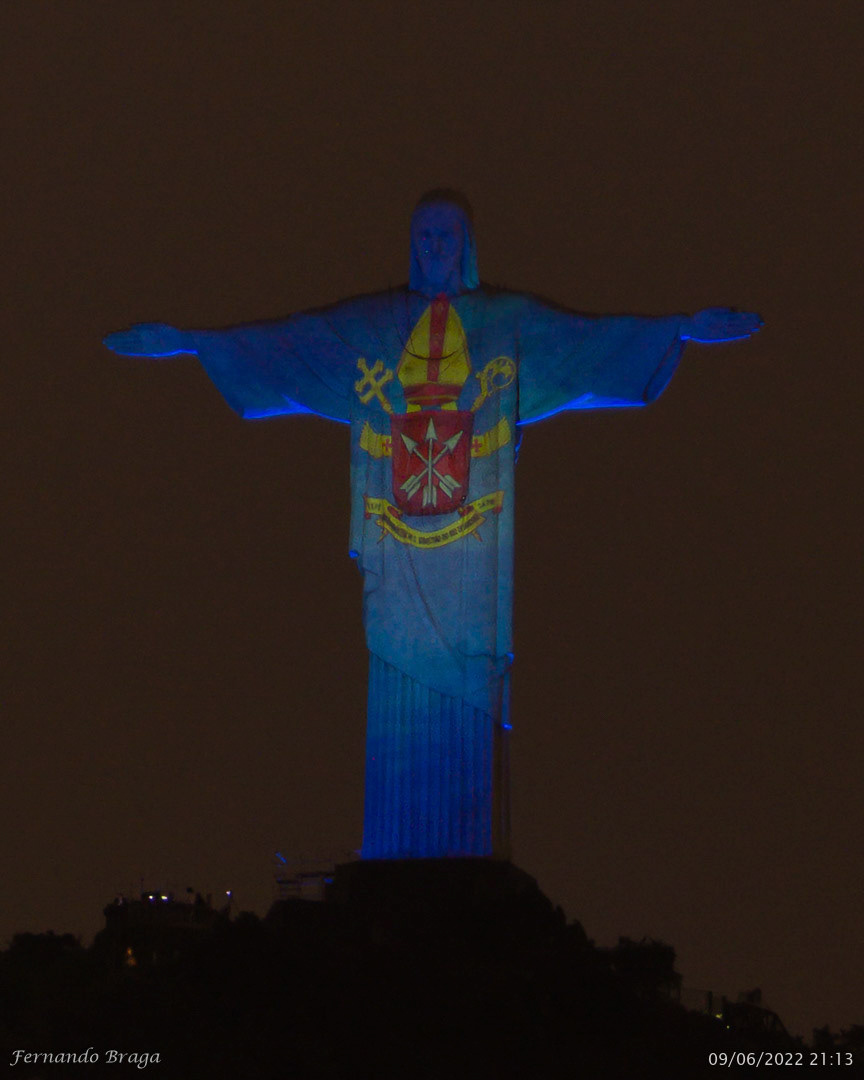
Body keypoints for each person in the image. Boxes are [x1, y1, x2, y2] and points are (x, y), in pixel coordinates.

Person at [104, 189, 762, 860]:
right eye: (423, 236)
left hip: (472, 566)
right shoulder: (375, 325)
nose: (435, 248)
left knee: (472, 704)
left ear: (468, 245)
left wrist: (678, 328)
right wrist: (192, 344)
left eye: (447, 236)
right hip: (400, 559)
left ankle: (465, 855)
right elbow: (291, 344)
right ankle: (398, 857)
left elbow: (584, 344)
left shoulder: (505, 322)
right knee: (396, 687)